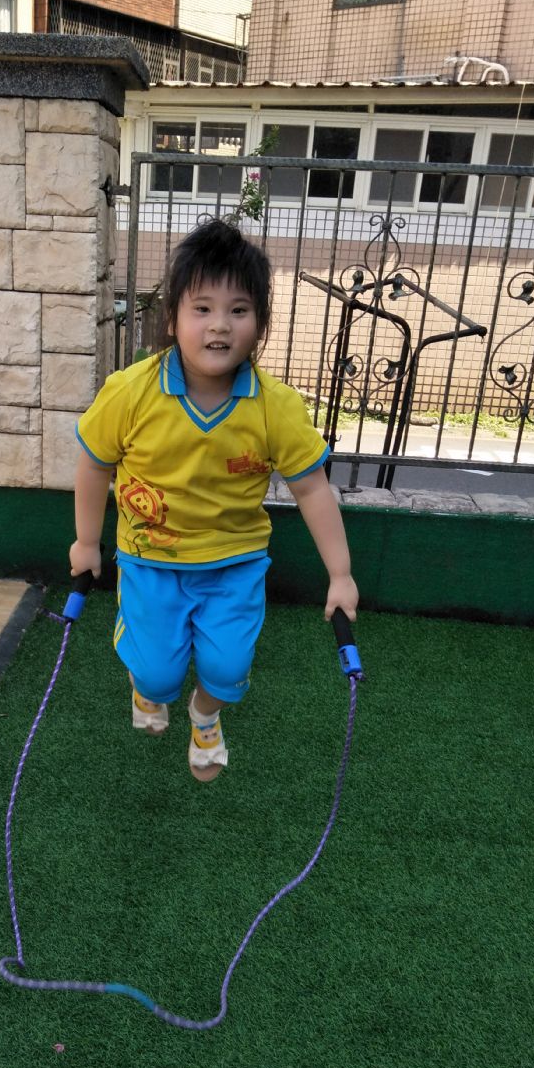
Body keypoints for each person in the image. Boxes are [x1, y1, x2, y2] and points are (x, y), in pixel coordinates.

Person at [69, 217, 358, 782]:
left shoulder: (275, 406)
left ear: (260, 323)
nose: (220, 325)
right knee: (157, 675)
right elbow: (95, 464)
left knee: (227, 671)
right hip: (150, 559)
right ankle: (148, 691)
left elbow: (312, 488)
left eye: (239, 310)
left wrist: (341, 575)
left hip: (234, 564)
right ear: (172, 317)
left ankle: (205, 716)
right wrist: (85, 541)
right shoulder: (130, 392)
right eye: (202, 308)